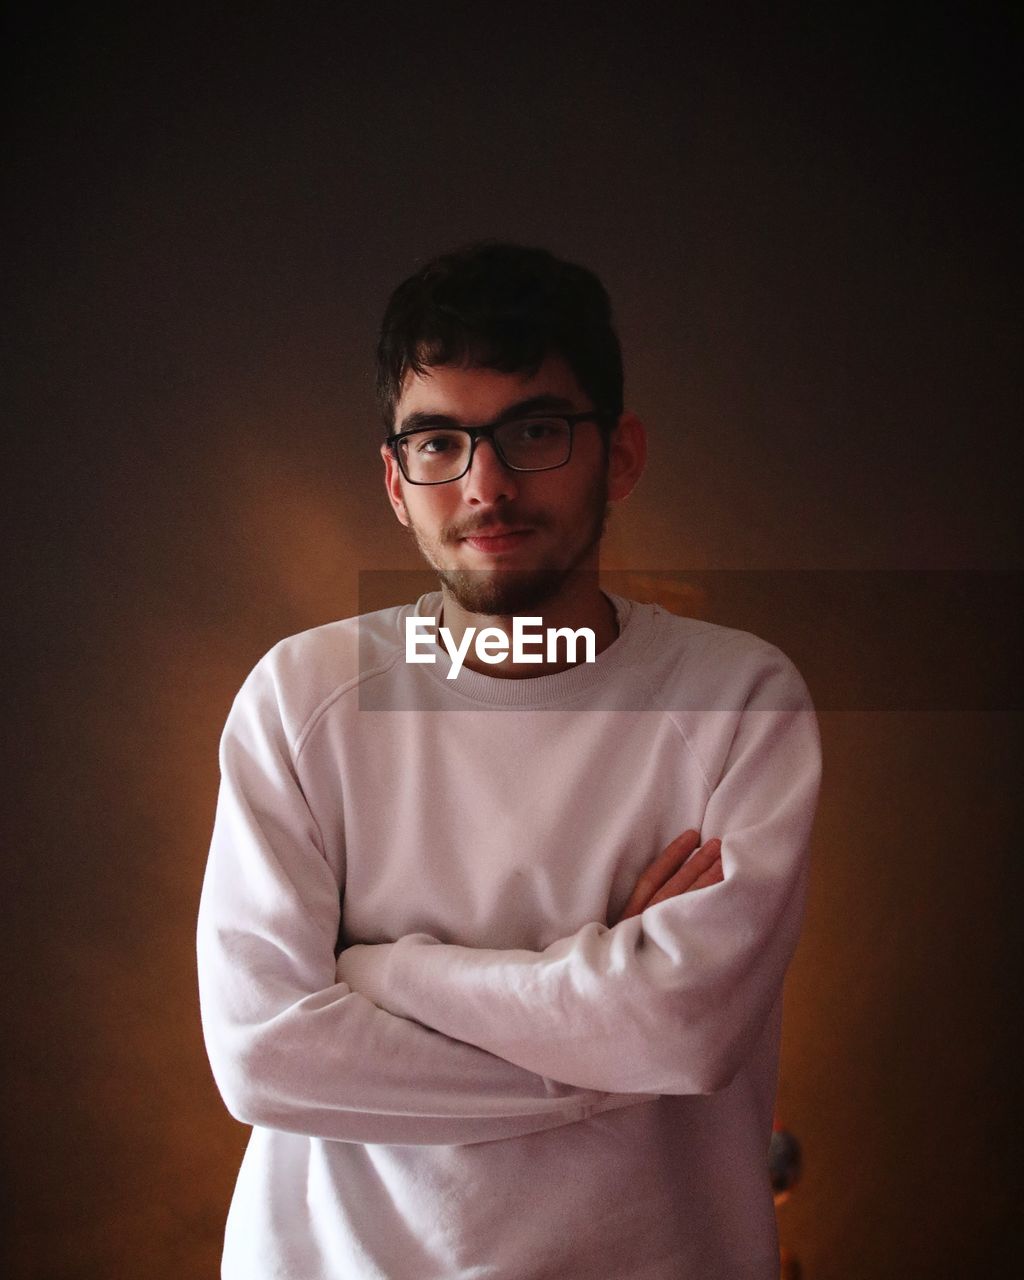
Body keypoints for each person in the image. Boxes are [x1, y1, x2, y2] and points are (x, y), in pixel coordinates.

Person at [196, 242, 822, 1279]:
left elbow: (686, 1030)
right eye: (440, 440)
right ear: (396, 481)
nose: (487, 483)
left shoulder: (740, 700)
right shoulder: (302, 699)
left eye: (534, 430)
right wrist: (602, 1022)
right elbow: (264, 1053)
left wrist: (384, 973)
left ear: (619, 453)